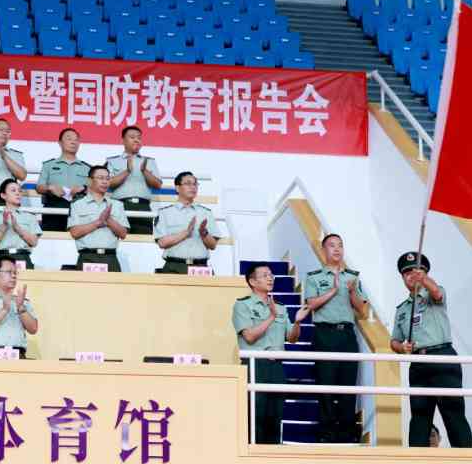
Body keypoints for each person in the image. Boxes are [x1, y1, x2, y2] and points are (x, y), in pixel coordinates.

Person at [389, 252, 472, 449]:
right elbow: (394, 341)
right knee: (419, 416)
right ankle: (416, 461)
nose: (412, 276)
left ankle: (468, 460)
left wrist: (425, 280)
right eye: (407, 273)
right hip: (418, 363)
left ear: (425, 273)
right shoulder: (402, 310)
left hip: (442, 357)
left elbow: (436, 292)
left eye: (416, 271)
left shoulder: (433, 294)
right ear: (402, 278)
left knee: (453, 413)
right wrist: (402, 347)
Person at [233, 262, 309, 445]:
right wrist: (271, 317)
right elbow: (249, 336)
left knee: (275, 416)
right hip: (255, 366)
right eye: (265, 275)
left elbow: (292, 338)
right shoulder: (242, 305)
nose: (270, 278)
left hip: (276, 367)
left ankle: (272, 453)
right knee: (255, 414)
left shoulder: (280, 307)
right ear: (252, 281)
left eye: (271, 275)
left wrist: (297, 322)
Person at [304, 233, 368, 443]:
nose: (337, 249)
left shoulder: (352, 277)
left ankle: (347, 432)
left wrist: (352, 293)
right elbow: (311, 304)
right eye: (332, 245)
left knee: (348, 384)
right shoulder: (314, 277)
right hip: (324, 334)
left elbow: (362, 310)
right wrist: (333, 290)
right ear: (324, 250)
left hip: (347, 334)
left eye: (340, 245)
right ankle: (327, 432)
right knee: (326, 384)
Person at [154, 171, 220, 273]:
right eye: (188, 183)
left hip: (200, 268)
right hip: (174, 267)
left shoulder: (206, 213)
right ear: (177, 188)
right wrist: (186, 233)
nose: (193, 187)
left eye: (195, 184)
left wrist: (204, 233)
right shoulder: (165, 213)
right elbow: (162, 243)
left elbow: (213, 245)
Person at [67, 165, 129, 272]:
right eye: (100, 178)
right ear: (89, 181)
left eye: (107, 178)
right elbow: (74, 233)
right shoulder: (77, 205)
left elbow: (123, 234)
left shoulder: (117, 205)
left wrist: (109, 219)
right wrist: (98, 222)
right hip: (87, 257)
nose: (105, 182)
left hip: (111, 258)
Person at [106, 125, 163, 235]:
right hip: (119, 206)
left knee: (143, 239)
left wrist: (144, 171)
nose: (136, 140)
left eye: (139, 138)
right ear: (123, 140)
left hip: (143, 206)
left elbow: (158, 185)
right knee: (117, 239)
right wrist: (127, 171)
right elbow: (109, 184)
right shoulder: (113, 161)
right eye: (132, 137)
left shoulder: (149, 161)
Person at [36, 127, 90, 232]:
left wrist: (83, 189)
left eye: (76, 140)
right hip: (54, 207)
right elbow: (39, 187)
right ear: (60, 143)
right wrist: (50, 188)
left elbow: (94, 190)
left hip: (79, 209)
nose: (73, 142)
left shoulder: (87, 168)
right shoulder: (49, 165)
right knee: (52, 239)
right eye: (69, 139)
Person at [0, 179, 41, 269]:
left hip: (22, 257)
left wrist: (17, 228)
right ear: (3, 195)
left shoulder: (30, 217)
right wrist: (4, 226)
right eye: (13, 190)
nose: (18, 193)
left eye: (20, 191)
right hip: (2, 258)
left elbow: (34, 242)